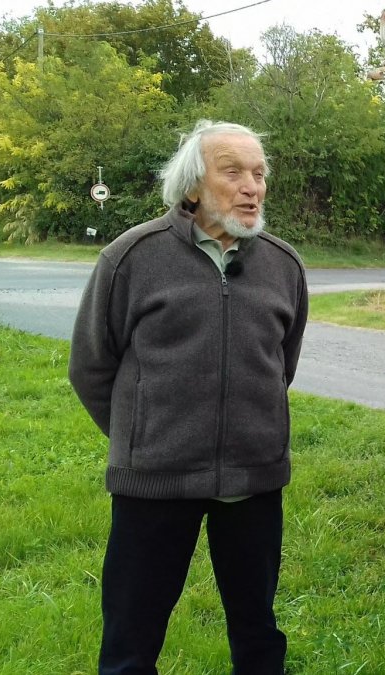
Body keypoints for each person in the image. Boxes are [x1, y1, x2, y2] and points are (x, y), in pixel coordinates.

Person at [69, 119, 308, 674]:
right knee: (131, 639)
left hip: (253, 481)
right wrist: (145, 435)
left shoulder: (284, 265)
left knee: (258, 633)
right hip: (154, 482)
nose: (251, 187)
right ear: (194, 186)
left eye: (259, 174)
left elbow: (281, 366)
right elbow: (91, 366)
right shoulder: (132, 258)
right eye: (233, 172)